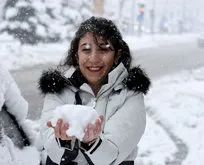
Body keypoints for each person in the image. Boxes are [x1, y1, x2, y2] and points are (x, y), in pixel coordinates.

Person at [39, 16, 151, 165]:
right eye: (86, 50)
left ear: (117, 55)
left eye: (103, 49)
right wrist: (63, 141)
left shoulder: (130, 94)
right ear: (76, 54)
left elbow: (113, 155)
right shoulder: (57, 89)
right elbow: (51, 148)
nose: (93, 58)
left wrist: (92, 143)